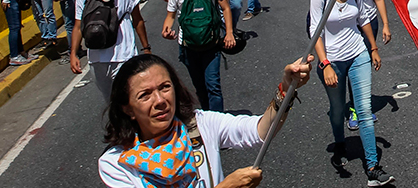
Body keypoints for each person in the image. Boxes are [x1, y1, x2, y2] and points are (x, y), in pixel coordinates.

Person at [97, 54, 313, 188]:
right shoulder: (116, 164)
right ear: (127, 109)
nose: (160, 100)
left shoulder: (198, 124)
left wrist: (286, 89)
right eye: (145, 95)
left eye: (165, 87)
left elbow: (258, 131)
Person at [310, 0, 393, 185]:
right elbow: (315, 31)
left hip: (358, 53)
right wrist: (324, 63)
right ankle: (340, 144)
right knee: (337, 111)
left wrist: (373, 48)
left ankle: (373, 167)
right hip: (332, 61)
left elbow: (364, 19)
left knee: (364, 110)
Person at [71, 0, 152, 100]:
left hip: (124, 56)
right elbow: (78, 26)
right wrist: (73, 53)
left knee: (129, 100)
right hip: (96, 59)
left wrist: (146, 48)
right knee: (110, 102)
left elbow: (138, 20)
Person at [162, 0, 234, 112]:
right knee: (199, 87)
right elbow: (170, 15)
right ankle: (207, 118)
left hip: (211, 45)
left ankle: (218, 122)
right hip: (187, 46)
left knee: (213, 86)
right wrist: (166, 29)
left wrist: (229, 33)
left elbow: (225, 7)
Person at [343, 0, 392, 131]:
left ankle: (361, 105)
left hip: (370, 22)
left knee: (364, 66)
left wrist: (386, 24)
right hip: (351, 25)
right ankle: (355, 109)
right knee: (354, 65)